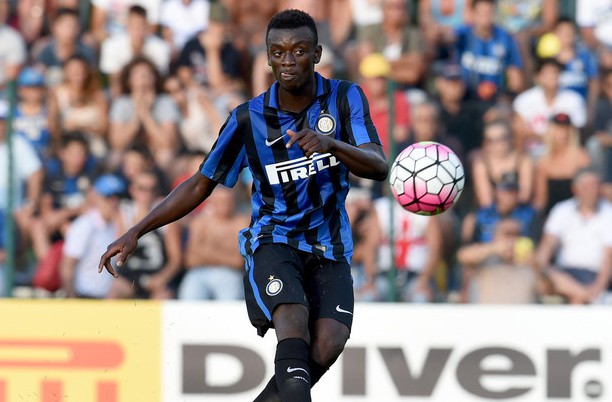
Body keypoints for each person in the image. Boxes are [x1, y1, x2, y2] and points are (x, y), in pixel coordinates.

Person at [99, 9, 388, 402]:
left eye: (299, 51)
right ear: (267, 58)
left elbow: (378, 165)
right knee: (293, 322)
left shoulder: (344, 97)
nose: (288, 61)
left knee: (329, 342)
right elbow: (201, 183)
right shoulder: (248, 118)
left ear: (317, 54)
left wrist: (332, 144)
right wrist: (137, 229)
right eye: (278, 52)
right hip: (274, 239)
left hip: (329, 243)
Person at [535, 168, 612, 304]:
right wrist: (540, 268)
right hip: (563, 273)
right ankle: (586, 296)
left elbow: (609, 255)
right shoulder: (561, 210)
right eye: (586, 187)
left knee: (576, 299)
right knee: (545, 279)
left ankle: (582, 296)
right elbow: (547, 245)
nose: (591, 191)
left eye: (594, 186)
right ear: (575, 189)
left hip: (593, 273)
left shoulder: (608, 213)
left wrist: (599, 286)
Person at [107, 170, 182, 300]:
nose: (147, 194)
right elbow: (119, 255)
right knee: (114, 292)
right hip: (129, 275)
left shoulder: (165, 216)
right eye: (142, 188)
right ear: (132, 190)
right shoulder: (124, 214)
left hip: (156, 274)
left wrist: (161, 278)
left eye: (151, 189)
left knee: (163, 298)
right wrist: (138, 222)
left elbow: (176, 259)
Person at [178, 186, 250, 300]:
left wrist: (205, 252)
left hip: (230, 273)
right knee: (190, 291)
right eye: (220, 201)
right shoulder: (199, 222)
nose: (224, 204)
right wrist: (225, 255)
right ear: (211, 202)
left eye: (228, 200)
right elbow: (190, 260)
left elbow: (238, 261)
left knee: (230, 294)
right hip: (199, 272)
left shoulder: (241, 223)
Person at [63, 174, 125, 299]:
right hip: (83, 296)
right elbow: (67, 265)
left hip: (104, 298)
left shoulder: (114, 225)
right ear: (97, 198)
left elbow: (120, 260)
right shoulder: (85, 225)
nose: (114, 202)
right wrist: (71, 299)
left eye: (117, 197)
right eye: (108, 197)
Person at [513, 57, 586, 157]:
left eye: (556, 72)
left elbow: (576, 132)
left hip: (564, 153)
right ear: (537, 77)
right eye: (548, 73)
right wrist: (547, 137)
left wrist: (546, 137)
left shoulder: (574, 99)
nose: (552, 76)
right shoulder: (524, 100)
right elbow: (518, 132)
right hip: (532, 153)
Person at [452, 0, 524, 101]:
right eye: (481, 13)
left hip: (495, 98)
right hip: (465, 97)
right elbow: (446, 38)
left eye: (488, 13)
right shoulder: (462, 35)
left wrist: (509, 97)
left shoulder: (505, 38)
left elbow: (515, 75)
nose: (485, 18)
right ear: (473, 14)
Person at [100, 5, 170, 96]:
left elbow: (159, 80)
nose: (137, 30)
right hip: (123, 93)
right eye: (133, 25)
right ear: (126, 25)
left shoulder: (160, 47)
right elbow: (115, 82)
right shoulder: (111, 45)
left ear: (147, 26)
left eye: (141, 25)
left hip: (152, 93)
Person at [533, 113, 591, 215]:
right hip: (552, 214)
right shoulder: (544, 162)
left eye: (566, 129)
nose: (563, 133)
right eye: (558, 129)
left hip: (577, 213)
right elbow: (541, 199)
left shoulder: (581, 157)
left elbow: (588, 190)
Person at [470, 120, 533, 208]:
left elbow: (525, 195)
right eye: (491, 140)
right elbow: (485, 200)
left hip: (520, 209)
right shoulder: (481, 164)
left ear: (510, 138)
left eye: (501, 139)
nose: (497, 144)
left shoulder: (523, 160)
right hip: (491, 212)